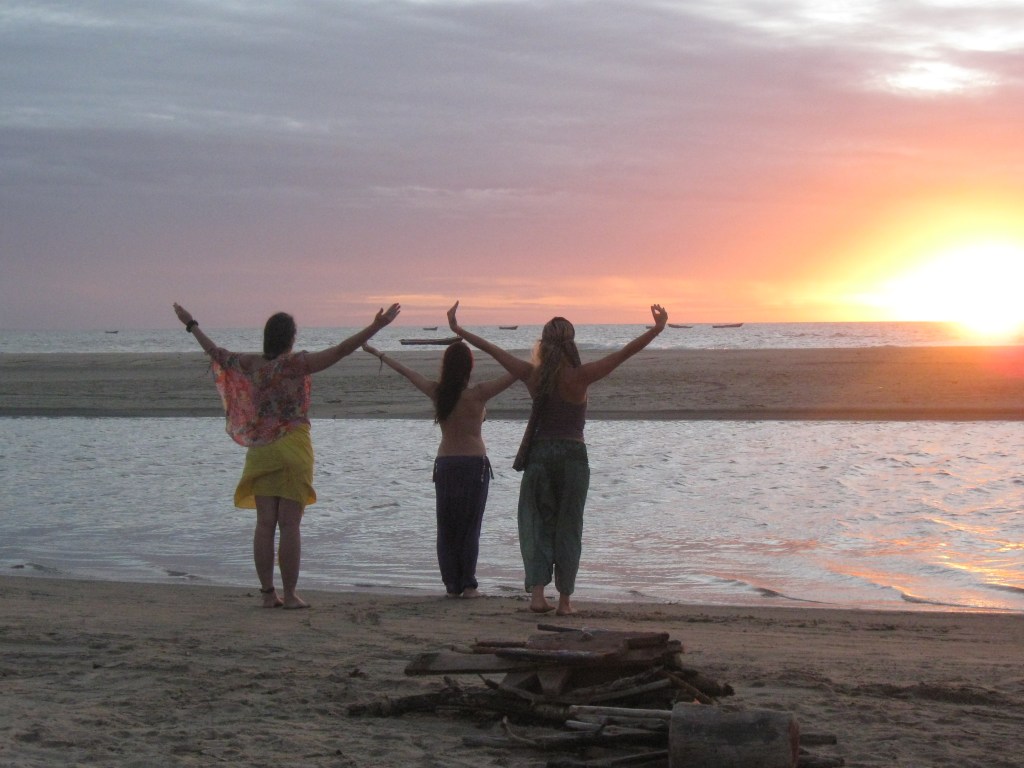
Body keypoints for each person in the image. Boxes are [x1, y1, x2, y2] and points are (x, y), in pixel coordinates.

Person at [172, 301, 401, 609]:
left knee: (265, 524)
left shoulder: (251, 364)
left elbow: (215, 352)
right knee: (290, 525)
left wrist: (191, 324)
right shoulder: (296, 364)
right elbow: (341, 350)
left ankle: (268, 594)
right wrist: (376, 326)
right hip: (293, 447)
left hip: (261, 451)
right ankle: (290, 594)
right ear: (291, 338)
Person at [447, 301, 668, 615]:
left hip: (540, 456)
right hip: (573, 457)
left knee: (536, 523)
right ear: (571, 342)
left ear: (544, 342)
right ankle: (565, 601)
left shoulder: (532, 374)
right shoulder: (582, 375)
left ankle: (538, 596)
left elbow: (493, 350)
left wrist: (459, 330)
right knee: (569, 527)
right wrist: (657, 329)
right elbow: (623, 353)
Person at [362, 340, 518, 598]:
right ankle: (468, 585)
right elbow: (515, 372)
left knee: (446, 528)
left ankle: (452, 585)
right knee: (469, 527)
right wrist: (539, 358)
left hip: (446, 464)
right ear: (469, 367)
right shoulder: (478, 393)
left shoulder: (438, 393)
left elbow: (407, 371)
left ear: (446, 366)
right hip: (473, 465)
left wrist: (378, 352)